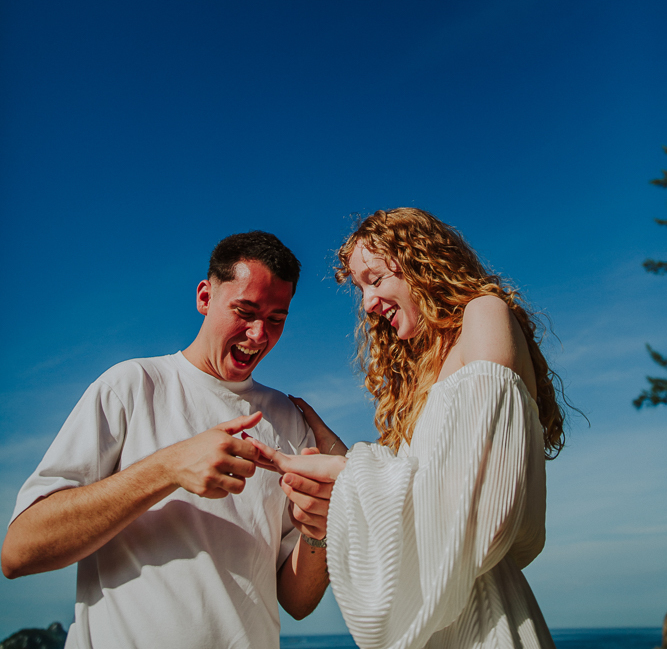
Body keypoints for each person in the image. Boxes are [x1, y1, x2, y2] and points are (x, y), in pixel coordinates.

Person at [2, 231, 334, 649]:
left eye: (275, 319)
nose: (257, 334)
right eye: (244, 310)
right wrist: (168, 466)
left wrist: (320, 527)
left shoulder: (289, 421)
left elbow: (297, 602)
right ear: (204, 297)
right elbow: (19, 552)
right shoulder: (131, 386)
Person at [252, 208, 564, 649]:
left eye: (375, 279)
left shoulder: (485, 315)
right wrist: (343, 462)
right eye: (360, 289)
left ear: (423, 263)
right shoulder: (425, 371)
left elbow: (484, 510)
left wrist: (346, 477)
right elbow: (428, 498)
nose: (368, 304)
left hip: (482, 625)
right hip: (438, 619)